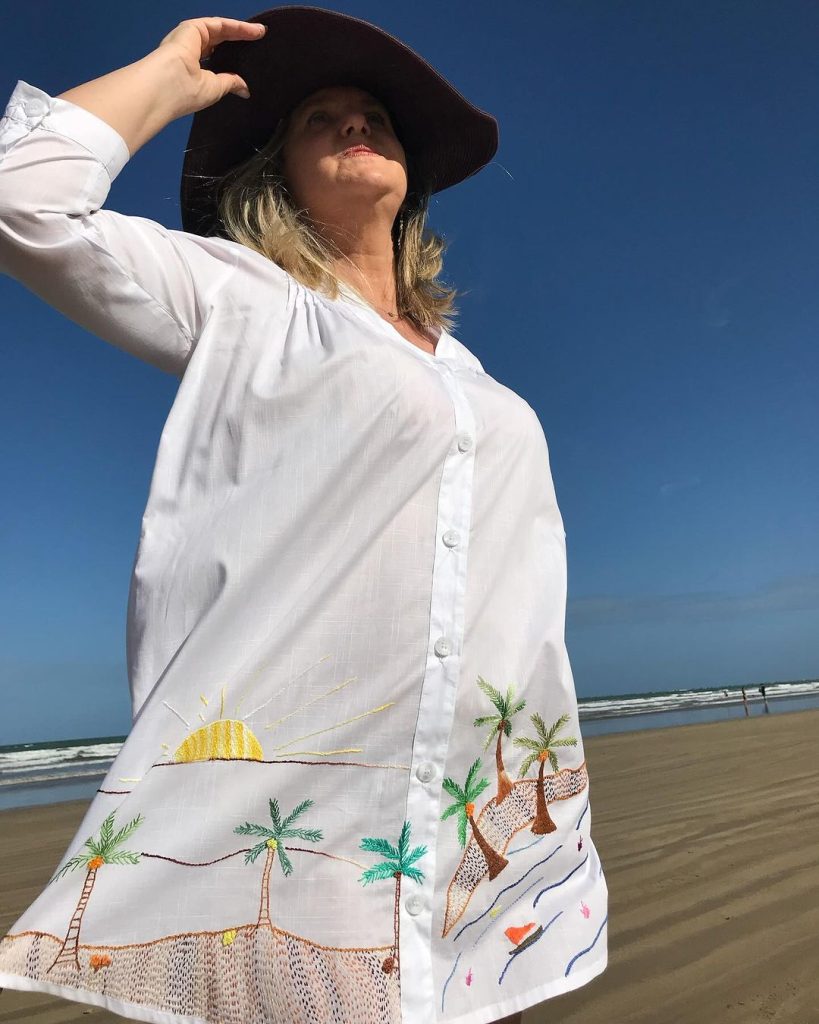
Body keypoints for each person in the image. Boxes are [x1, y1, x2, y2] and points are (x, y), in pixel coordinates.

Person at [0, 8, 608, 1024]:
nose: (353, 123)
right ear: (276, 172)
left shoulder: (470, 374)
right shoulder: (245, 300)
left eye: (374, 115)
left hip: (474, 825)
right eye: (319, 117)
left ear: (411, 172)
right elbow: (21, 198)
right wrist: (167, 76)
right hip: (302, 832)